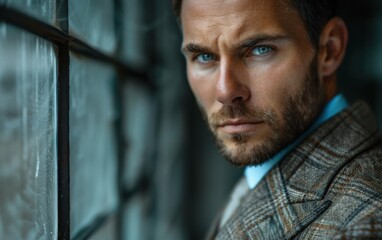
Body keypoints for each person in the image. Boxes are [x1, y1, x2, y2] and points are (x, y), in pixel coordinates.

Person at [172, 0, 382, 239]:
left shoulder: (362, 226)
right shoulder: (265, 175)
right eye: (204, 56)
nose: (225, 92)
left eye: (260, 50)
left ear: (329, 50)